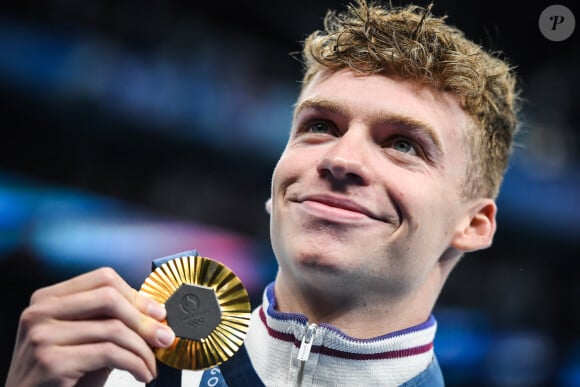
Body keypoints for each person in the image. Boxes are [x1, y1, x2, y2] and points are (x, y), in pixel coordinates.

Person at [6, 0, 519, 386]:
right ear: (275, 189)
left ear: (473, 225)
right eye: (320, 125)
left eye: (403, 144)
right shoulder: (115, 374)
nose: (339, 159)